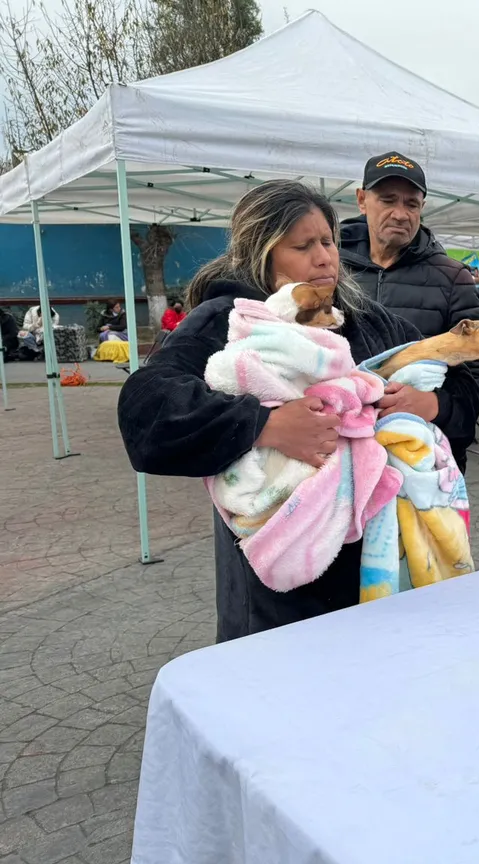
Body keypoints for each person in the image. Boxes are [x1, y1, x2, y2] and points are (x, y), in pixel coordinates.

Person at [118, 180, 428, 642]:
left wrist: (430, 400)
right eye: (303, 246)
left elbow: (454, 369)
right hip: (279, 588)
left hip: (374, 567)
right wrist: (266, 425)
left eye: (328, 241)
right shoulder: (229, 321)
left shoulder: (363, 319)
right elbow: (146, 410)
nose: (324, 257)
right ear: (260, 254)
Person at [339, 151, 479, 471]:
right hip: (343, 459)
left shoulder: (453, 278)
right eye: (388, 200)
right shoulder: (330, 271)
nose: (400, 213)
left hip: (424, 460)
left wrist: (434, 405)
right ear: (362, 200)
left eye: (411, 203)